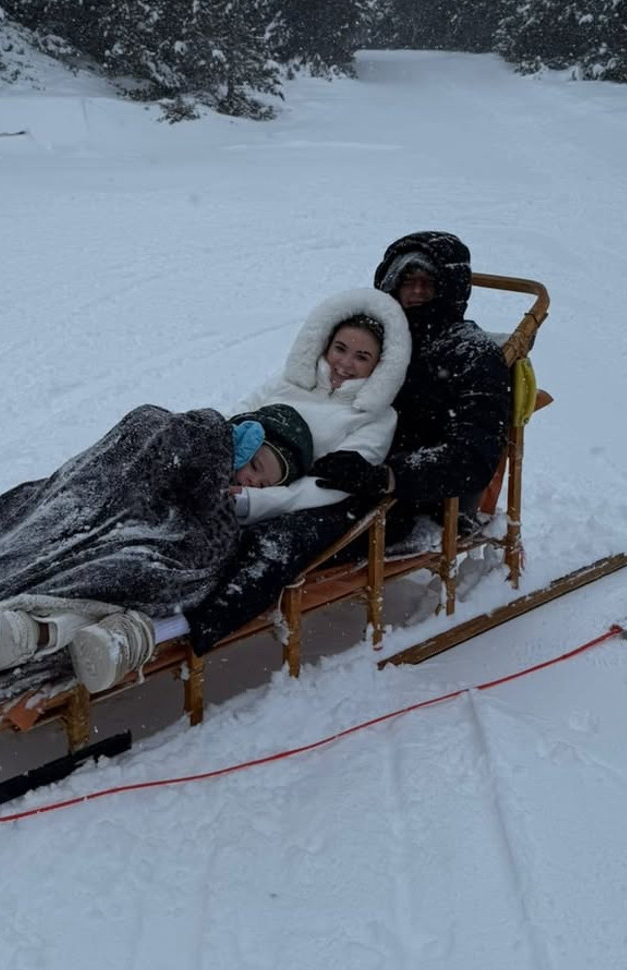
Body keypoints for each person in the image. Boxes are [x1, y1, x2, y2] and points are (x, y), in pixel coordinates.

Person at [0, 288, 410, 696]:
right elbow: (220, 430)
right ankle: (10, 523)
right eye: (340, 349)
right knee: (152, 433)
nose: (346, 364)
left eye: (363, 357)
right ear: (320, 345)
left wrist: (249, 499)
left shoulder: (370, 421)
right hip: (203, 480)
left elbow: (328, 490)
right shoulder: (282, 383)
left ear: (381, 368)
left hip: (237, 507)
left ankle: (16, 550)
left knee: (133, 521)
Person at [176, 231, 512, 655]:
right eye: (405, 280)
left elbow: (471, 458)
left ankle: (186, 632)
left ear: (454, 288)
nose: (415, 293)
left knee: (274, 535)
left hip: (407, 499)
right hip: (324, 462)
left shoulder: (472, 355)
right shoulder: (382, 337)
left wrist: (387, 476)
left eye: (429, 283)